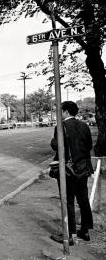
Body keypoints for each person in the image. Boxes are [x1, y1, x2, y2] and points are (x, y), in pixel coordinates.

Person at [50, 101, 94, 245]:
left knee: (68, 201)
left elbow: (56, 146)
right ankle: (85, 231)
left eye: (61, 111)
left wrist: (54, 140)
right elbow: (88, 146)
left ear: (66, 112)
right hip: (83, 168)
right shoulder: (84, 125)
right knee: (83, 200)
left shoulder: (61, 126)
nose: (60, 114)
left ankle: (70, 235)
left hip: (68, 170)